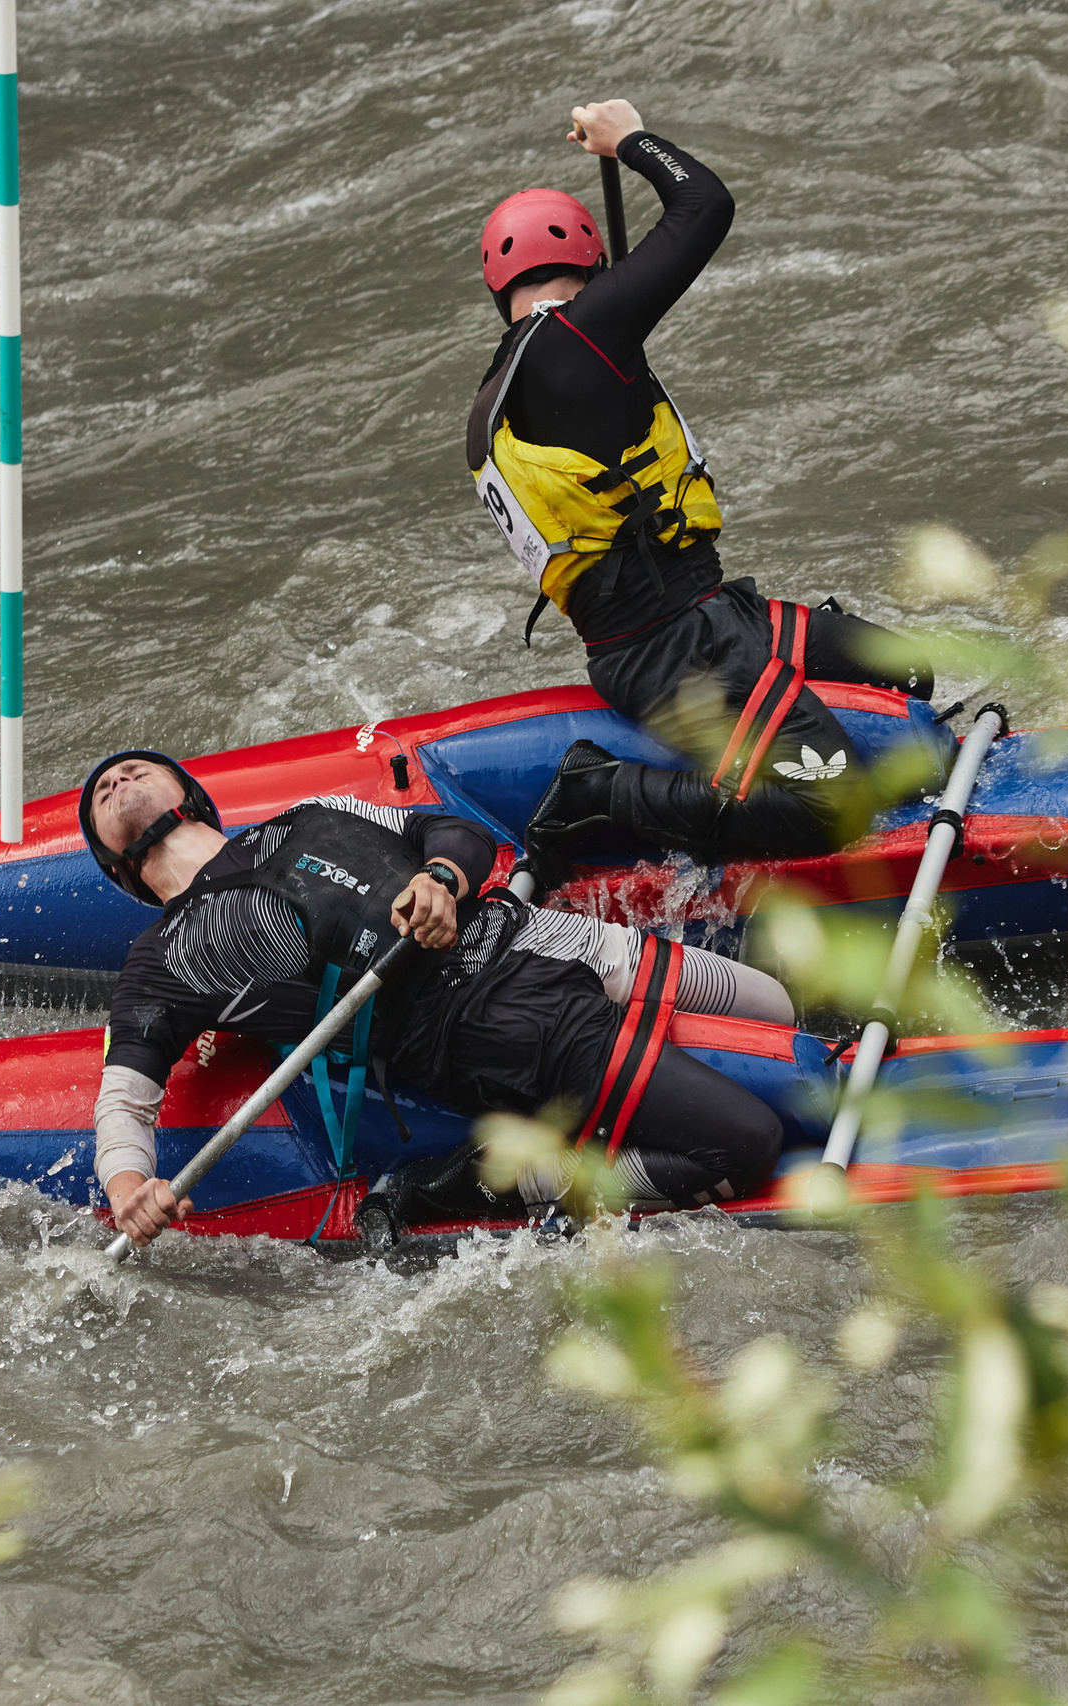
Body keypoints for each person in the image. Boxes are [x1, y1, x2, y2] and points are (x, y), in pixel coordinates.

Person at [466, 98, 937, 885]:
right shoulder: (577, 338)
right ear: (591, 263)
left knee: (904, 667)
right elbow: (705, 204)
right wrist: (630, 140)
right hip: (671, 650)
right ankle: (599, 790)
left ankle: (934, 786)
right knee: (833, 805)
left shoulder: (499, 393)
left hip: (709, 612)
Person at [77, 750, 798, 1247]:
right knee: (744, 1145)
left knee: (777, 1008)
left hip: (542, 936)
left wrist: (442, 877)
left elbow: (448, 832)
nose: (112, 779)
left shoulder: (309, 814)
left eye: (131, 768)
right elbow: (124, 1098)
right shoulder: (162, 961)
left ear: (189, 794)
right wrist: (130, 1188)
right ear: (119, 867)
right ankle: (489, 1183)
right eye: (99, 795)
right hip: (494, 1024)